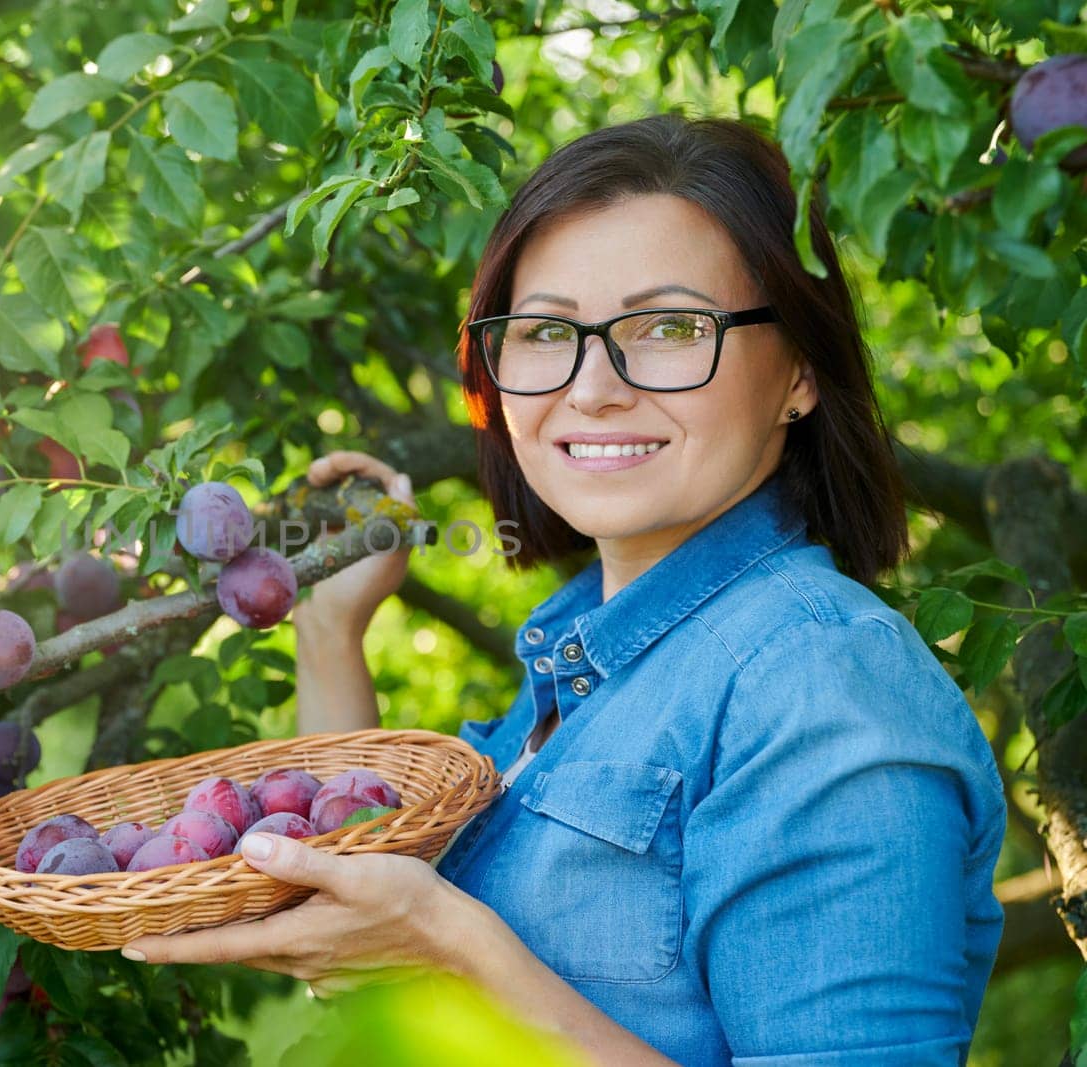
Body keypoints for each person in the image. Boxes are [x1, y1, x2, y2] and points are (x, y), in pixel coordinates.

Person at [120, 114, 1007, 1066]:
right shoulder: (589, 664)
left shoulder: (821, 683)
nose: (590, 389)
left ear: (798, 369)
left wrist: (454, 951)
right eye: (545, 331)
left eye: (669, 326)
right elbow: (361, 862)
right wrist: (331, 632)